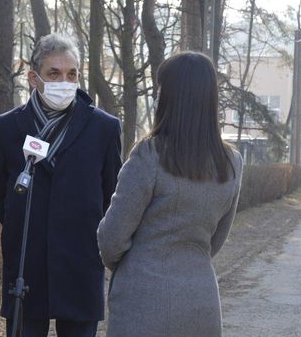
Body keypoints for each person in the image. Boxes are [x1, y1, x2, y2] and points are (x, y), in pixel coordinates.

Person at [97, 52, 243, 337]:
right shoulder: (231, 163)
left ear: (169, 97)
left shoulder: (148, 155)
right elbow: (216, 241)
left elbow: (111, 239)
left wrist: (136, 263)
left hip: (142, 305)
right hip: (201, 303)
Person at [0, 33, 122, 337]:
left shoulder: (104, 128)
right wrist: (25, 224)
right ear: (34, 78)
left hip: (80, 262)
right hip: (26, 262)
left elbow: (112, 194)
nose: (65, 81)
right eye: (54, 73)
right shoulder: (7, 128)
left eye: (71, 74)